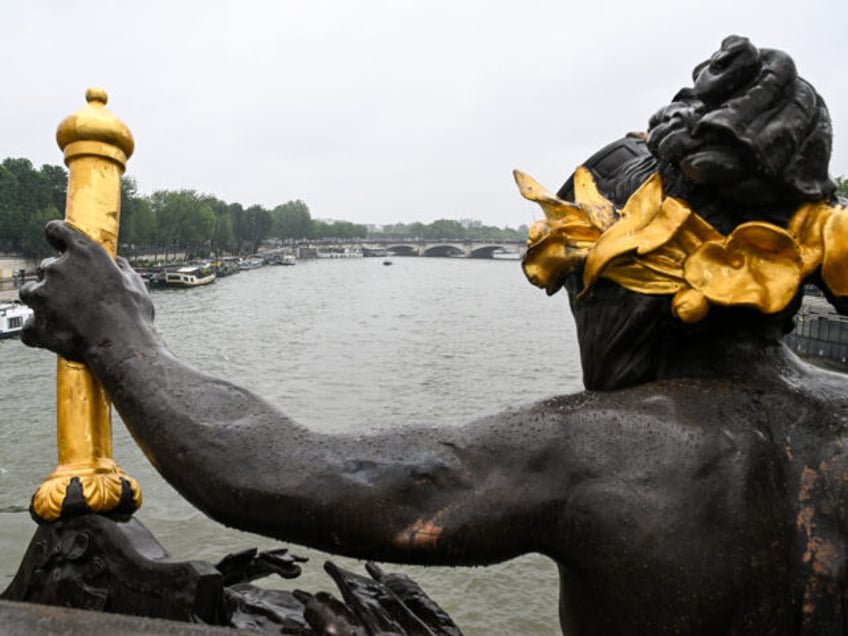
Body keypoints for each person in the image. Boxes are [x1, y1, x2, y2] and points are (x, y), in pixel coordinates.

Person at [19, 36, 848, 635]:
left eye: (571, 292)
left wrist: (119, 331)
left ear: (629, 285)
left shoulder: (608, 448)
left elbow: (276, 468)